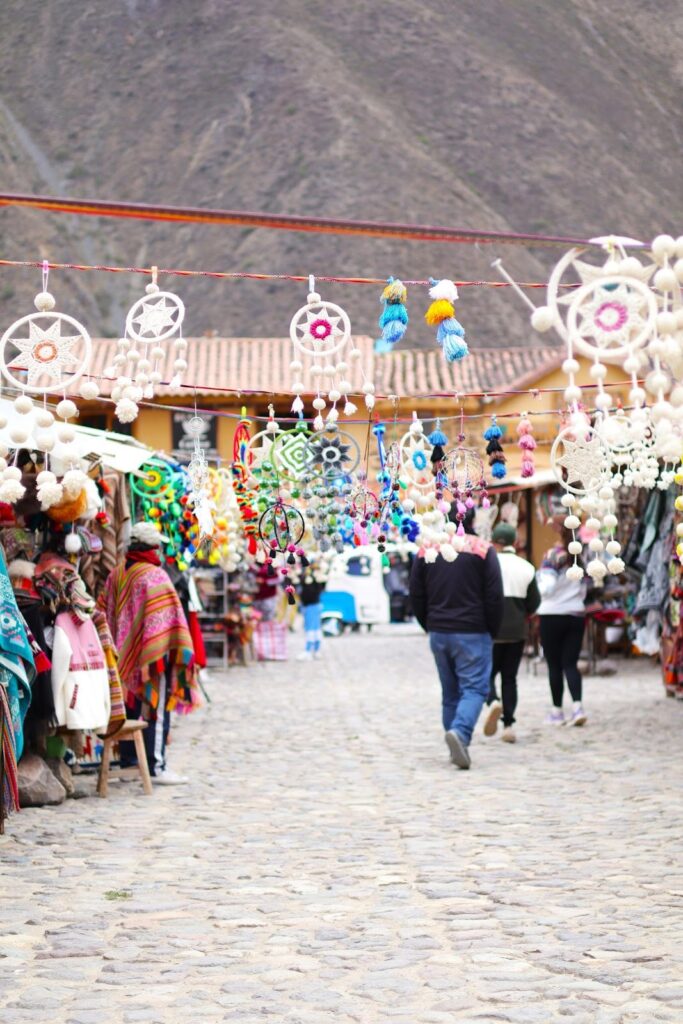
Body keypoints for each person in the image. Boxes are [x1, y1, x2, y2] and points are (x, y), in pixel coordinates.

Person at [101, 521, 199, 784]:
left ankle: (130, 761)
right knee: (154, 707)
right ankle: (156, 766)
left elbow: (105, 609)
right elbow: (171, 618)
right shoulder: (155, 575)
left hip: (123, 655)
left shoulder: (117, 573)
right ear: (153, 547)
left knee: (130, 705)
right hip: (154, 656)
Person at [409, 507, 504, 769]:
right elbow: (495, 595)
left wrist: (428, 624)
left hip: (439, 631)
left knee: (450, 692)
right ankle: (460, 734)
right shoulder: (483, 549)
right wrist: (492, 629)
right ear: (473, 519)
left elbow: (415, 593)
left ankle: (455, 743)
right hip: (473, 631)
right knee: (474, 689)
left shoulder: (426, 549)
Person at [483, 523, 540, 743]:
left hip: (491, 629)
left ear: (494, 542)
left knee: (486, 674)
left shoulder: (488, 564)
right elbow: (534, 603)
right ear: (515, 542)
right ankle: (508, 724)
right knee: (510, 678)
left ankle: (492, 701)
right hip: (516, 630)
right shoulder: (526, 567)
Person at [537, 525, 587, 726]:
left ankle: (557, 711)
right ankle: (577, 708)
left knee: (554, 665)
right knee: (570, 664)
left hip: (551, 614)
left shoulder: (553, 555)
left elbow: (546, 588)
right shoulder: (580, 558)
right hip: (575, 613)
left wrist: (537, 583)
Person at [297, 569, 326, 662]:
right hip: (314, 605)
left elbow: (309, 593)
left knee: (311, 629)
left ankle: (308, 651)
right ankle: (316, 650)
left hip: (311, 606)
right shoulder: (316, 579)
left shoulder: (313, 579)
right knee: (316, 629)